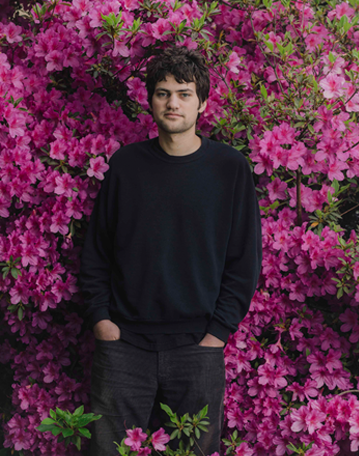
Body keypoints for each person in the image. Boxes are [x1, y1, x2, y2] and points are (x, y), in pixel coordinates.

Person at [79, 46, 262, 455]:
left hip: (197, 347)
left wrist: (217, 335)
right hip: (124, 343)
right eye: (163, 93)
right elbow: (97, 251)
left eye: (184, 93)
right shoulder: (125, 166)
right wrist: (101, 321)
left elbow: (244, 261)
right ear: (150, 100)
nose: (173, 102)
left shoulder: (229, 169)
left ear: (203, 102)